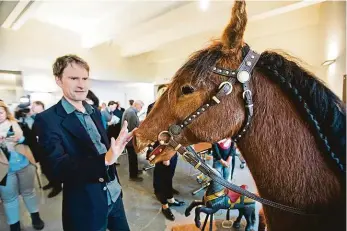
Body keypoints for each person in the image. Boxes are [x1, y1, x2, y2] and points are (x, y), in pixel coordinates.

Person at [33, 54, 134, 231]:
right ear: (58, 80)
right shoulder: (48, 120)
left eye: (85, 78)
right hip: (87, 204)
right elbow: (57, 169)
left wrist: (116, 147)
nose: (81, 85)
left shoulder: (94, 111)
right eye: (73, 78)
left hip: (114, 194)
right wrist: (106, 159)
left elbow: (101, 147)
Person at [0, 101, 44, 231]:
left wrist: (19, 140)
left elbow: (32, 141)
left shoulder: (19, 125)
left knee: (28, 192)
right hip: (3, 170)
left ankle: (35, 217)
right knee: (9, 198)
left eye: (1, 113)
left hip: (24, 164)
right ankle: (14, 225)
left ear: (6, 113)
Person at [147, 85, 184, 221]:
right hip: (162, 149)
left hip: (173, 149)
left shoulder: (173, 107)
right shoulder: (153, 107)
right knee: (162, 176)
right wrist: (164, 154)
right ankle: (165, 205)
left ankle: (170, 197)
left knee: (169, 175)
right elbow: (156, 133)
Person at [121, 100, 144, 181]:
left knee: (133, 157)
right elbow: (133, 128)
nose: (141, 109)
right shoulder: (131, 113)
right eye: (141, 107)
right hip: (130, 140)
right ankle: (133, 176)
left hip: (128, 139)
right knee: (133, 158)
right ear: (136, 105)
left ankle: (135, 171)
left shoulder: (129, 111)